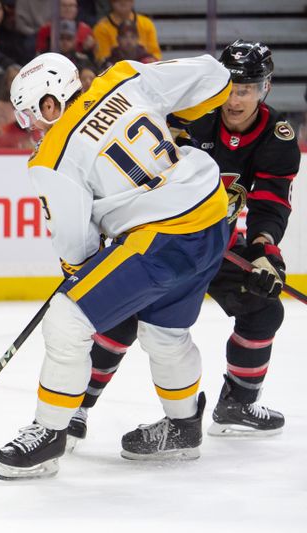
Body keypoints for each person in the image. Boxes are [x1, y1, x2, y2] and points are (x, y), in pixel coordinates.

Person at [0, 52, 232, 480]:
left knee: (68, 318)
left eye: (31, 115)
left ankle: (50, 432)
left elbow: (75, 242)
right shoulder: (123, 78)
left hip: (161, 238)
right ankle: (183, 427)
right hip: (212, 215)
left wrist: (80, 271)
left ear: (51, 103)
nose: (32, 127)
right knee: (165, 332)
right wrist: (179, 120)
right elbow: (215, 78)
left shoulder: (51, 157)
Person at [67, 40, 300, 444]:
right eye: (230, 87)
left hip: (219, 242)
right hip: (167, 241)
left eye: (246, 89)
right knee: (120, 316)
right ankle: (75, 407)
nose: (235, 99)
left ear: (266, 88)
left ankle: (237, 404)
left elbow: (270, 205)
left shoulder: (277, 138)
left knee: (264, 310)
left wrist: (264, 252)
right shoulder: (192, 119)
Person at [92, 0, 160, 65]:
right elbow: (102, 60)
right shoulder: (101, 28)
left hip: (144, 70)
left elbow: (155, 56)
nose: (123, 2)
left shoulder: (146, 24)